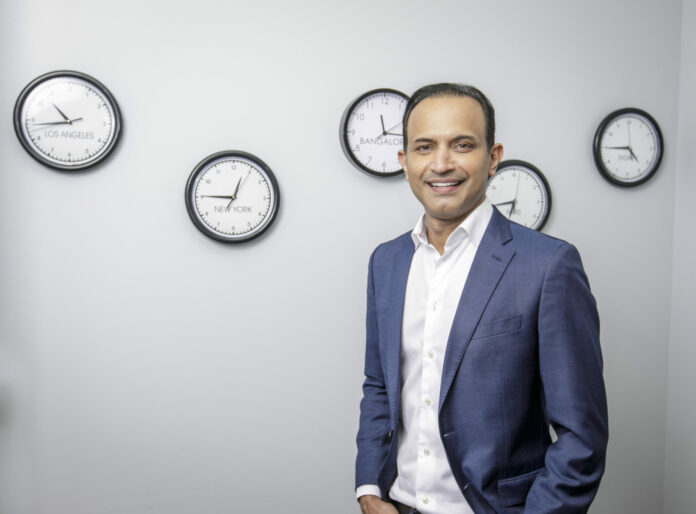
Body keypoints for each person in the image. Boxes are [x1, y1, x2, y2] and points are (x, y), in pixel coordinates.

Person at [355, 83, 608, 514]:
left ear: (493, 158)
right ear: (404, 162)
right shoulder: (387, 261)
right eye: (424, 146)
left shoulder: (549, 266)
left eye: (462, 144)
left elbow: (581, 437)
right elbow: (379, 386)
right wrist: (368, 488)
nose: (441, 163)